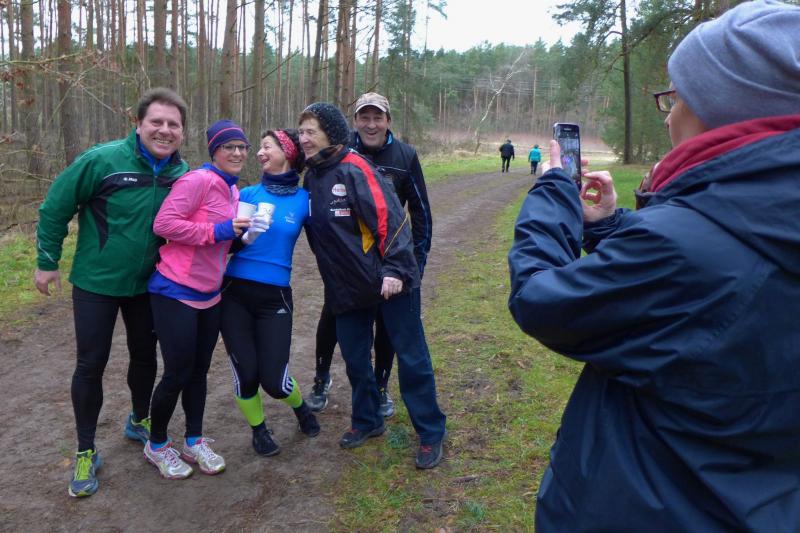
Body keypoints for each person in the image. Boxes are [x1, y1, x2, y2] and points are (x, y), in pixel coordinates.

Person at [508, 1, 800, 529]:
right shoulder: (762, 222)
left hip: (654, 506)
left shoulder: (684, 247)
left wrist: (552, 192)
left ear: (721, 108)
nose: (668, 115)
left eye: (678, 96)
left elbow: (540, 298)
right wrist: (610, 227)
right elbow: (717, 291)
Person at [34, 88, 189, 497]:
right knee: (91, 364)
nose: (164, 130)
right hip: (96, 283)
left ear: (182, 133)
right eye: (156, 122)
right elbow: (55, 207)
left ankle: (138, 420)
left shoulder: (182, 174)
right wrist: (47, 261)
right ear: (138, 124)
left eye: (173, 124)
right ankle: (86, 450)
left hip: (149, 285)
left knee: (145, 356)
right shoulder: (102, 161)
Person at [299, 102, 447, 469]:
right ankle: (367, 420)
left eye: (310, 131)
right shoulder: (312, 176)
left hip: (390, 280)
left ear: (330, 134)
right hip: (348, 286)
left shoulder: (356, 168)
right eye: (300, 132)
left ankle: (431, 431)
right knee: (355, 357)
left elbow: (391, 218)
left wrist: (395, 269)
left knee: (411, 357)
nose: (303, 139)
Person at [143, 119, 253, 479]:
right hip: (175, 289)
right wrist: (218, 230)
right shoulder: (197, 181)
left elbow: (220, 242)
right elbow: (164, 224)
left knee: (199, 373)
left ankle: (193, 440)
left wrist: (242, 239)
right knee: (177, 372)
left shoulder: (233, 191)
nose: (237, 153)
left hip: (210, 292)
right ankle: (157, 445)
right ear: (214, 151)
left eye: (242, 147)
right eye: (228, 147)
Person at [219, 128, 320, 457]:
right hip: (234, 292)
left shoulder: (304, 200)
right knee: (247, 374)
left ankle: (301, 408)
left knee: (275, 382)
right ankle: (259, 430)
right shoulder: (247, 194)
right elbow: (225, 246)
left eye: (266, 147)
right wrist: (245, 237)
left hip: (275, 296)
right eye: (259, 148)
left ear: (287, 153)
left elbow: (326, 242)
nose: (259, 153)